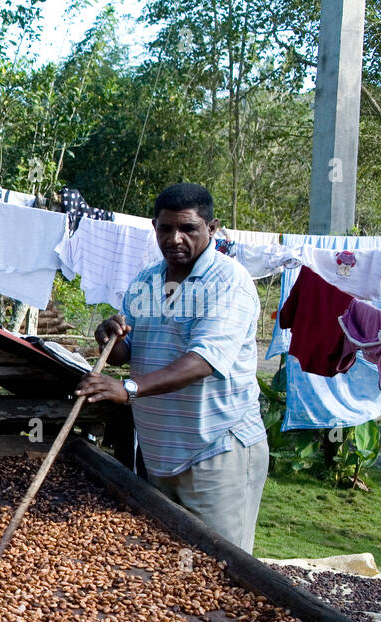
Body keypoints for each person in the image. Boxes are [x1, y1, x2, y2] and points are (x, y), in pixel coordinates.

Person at [74, 183, 268, 553]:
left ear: (212, 229)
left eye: (188, 229)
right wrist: (108, 337)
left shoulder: (228, 282)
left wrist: (128, 389)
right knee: (167, 563)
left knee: (222, 569)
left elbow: (202, 362)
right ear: (154, 226)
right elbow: (127, 350)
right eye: (166, 229)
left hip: (216, 451)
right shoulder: (146, 279)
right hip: (158, 453)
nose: (174, 239)